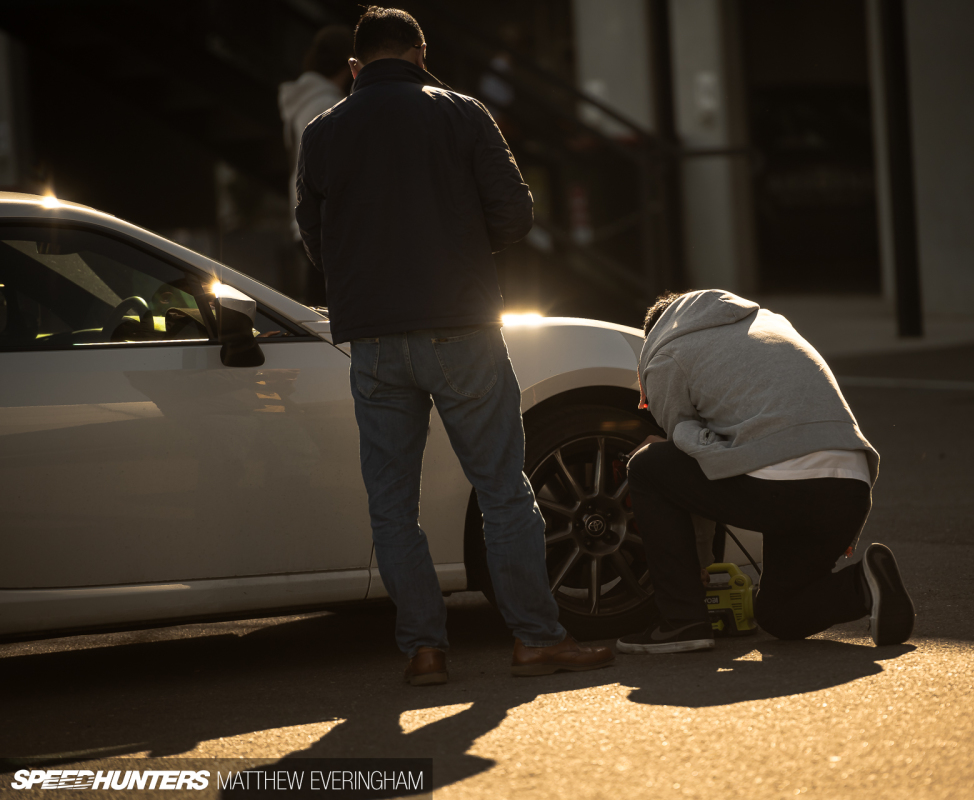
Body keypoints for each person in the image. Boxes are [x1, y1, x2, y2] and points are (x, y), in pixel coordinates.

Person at [295, 6, 614, 684]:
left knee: (392, 504)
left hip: (373, 338)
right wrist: (458, 243)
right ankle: (536, 638)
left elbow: (313, 237)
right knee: (502, 489)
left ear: (353, 66)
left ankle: (425, 650)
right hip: (460, 323)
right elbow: (516, 215)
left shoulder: (322, 130)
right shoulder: (463, 113)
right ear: (420, 55)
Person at [615, 290, 915, 654]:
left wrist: (696, 569)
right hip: (851, 488)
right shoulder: (771, 324)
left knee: (648, 465)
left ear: (656, 331)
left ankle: (682, 622)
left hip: (782, 486)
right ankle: (864, 584)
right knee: (780, 613)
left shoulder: (666, 352)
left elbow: (691, 455)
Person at [278, 24, 353, 307]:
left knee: (320, 307)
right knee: (330, 310)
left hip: (305, 218)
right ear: (349, 63)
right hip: (325, 223)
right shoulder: (329, 105)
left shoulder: (303, 102)